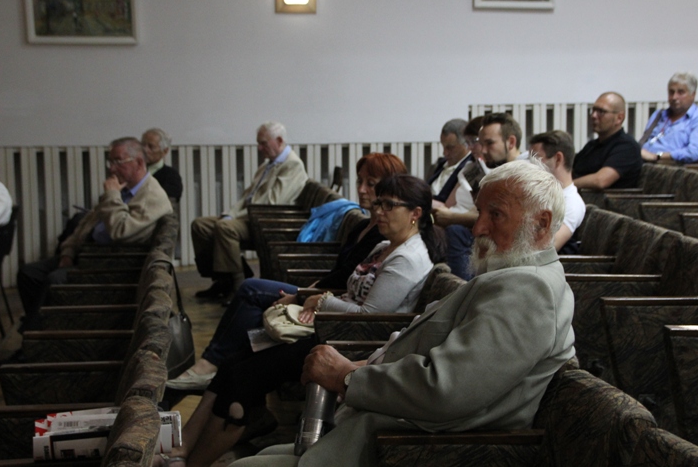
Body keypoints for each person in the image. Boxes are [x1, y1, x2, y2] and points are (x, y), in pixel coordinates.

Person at [231, 157, 576, 467]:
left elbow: (447, 389)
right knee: (261, 457)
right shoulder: (518, 277)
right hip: (389, 426)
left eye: (495, 214)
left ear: (541, 224)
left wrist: (347, 378)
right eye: (480, 212)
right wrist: (363, 366)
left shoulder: (529, 290)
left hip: (410, 444)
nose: (477, 228)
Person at [154, 174, 445, 467]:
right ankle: (184, 445)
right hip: (324, 328)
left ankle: (196, 461)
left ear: (415, 214)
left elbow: (368, 317)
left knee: (243, 378)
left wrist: (320, 301)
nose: (379, 211)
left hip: (344, 344)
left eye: (389, 205)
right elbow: (350, 290)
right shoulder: (385, 245)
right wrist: (319, 300)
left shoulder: (407, 259)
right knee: (234, 359)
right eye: (379, 203)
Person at [165, 153, 407, 390]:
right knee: (253, 308)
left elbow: (348, 284)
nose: (361, 189)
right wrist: (307, 291)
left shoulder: (382, 236)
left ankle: (214, 366)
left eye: (370, 184)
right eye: (359, 181)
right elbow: (339, 272)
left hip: (335, 307)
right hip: (326, 295)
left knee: (252, 292)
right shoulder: (364, 225)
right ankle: (223, 369)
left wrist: (302, 295)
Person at [16, 137, 173, 331]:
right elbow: (87, 224)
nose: (111, 168)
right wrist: (68, 251)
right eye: (110, 161)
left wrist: (111, 196)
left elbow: (120, 231)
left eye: (117, 162)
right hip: (87, 253)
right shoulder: (123, 189)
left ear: (139, 162)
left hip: (108, 264)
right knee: (28, 273)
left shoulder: (151, 195)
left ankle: (36, 338)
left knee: (55, 280)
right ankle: (42, 326)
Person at [192, 122, 308, 302]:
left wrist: (234, 217)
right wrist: (230, 212)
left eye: (263, 143)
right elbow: (247, 196)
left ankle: (238, 283)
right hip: (250, 216)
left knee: (225, 228)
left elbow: (272, 203)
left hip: (266, 222)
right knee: (200, 226)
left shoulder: (292, 165)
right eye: (259, 143)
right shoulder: (268, 165)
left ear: (278, 140)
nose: (260, 148)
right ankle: (221, 279)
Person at [435, 113, 523, 280]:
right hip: (491, 238)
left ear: (511, 142)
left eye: (489, 143)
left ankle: (462, 291)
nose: (482, 150)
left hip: (509, 245)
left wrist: (454, 218)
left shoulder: (523, 173)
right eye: (480, 144)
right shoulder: (494, 169)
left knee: (456, 232)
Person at [529, 130, 586, 253]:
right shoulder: (541, 195)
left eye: (536, 160)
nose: (530, 168)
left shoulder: (571, 204)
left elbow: (547, 248)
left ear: (558, 159)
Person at [573, 92, 642, 189]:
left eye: (601, 112)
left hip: (606, 202)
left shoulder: (627, 147)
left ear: (619, 118)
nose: (593, 116)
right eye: (593, 110)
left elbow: (601, 181)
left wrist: (565, 187)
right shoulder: (592, 145)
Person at [640, 72, 698, 164]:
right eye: (671, 92)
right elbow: (645, 141)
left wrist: (657, 156)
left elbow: (694, 153)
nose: (674, 97)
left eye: (680, 92)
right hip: (642, 163)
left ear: (693, 95)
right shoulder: (659, 115)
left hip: (670, 168)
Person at [426, 119, 473, 203]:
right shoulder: (439, 164)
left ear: (466, 144)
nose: (444, 153)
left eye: (450, 148)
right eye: (443, 146)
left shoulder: (470, 168)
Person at [142, 128, 183, 202]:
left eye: (150, 147)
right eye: (142, 145)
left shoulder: (171, 175)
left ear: (164, 151)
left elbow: (171, 199)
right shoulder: (131, 170)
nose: (145, 150)